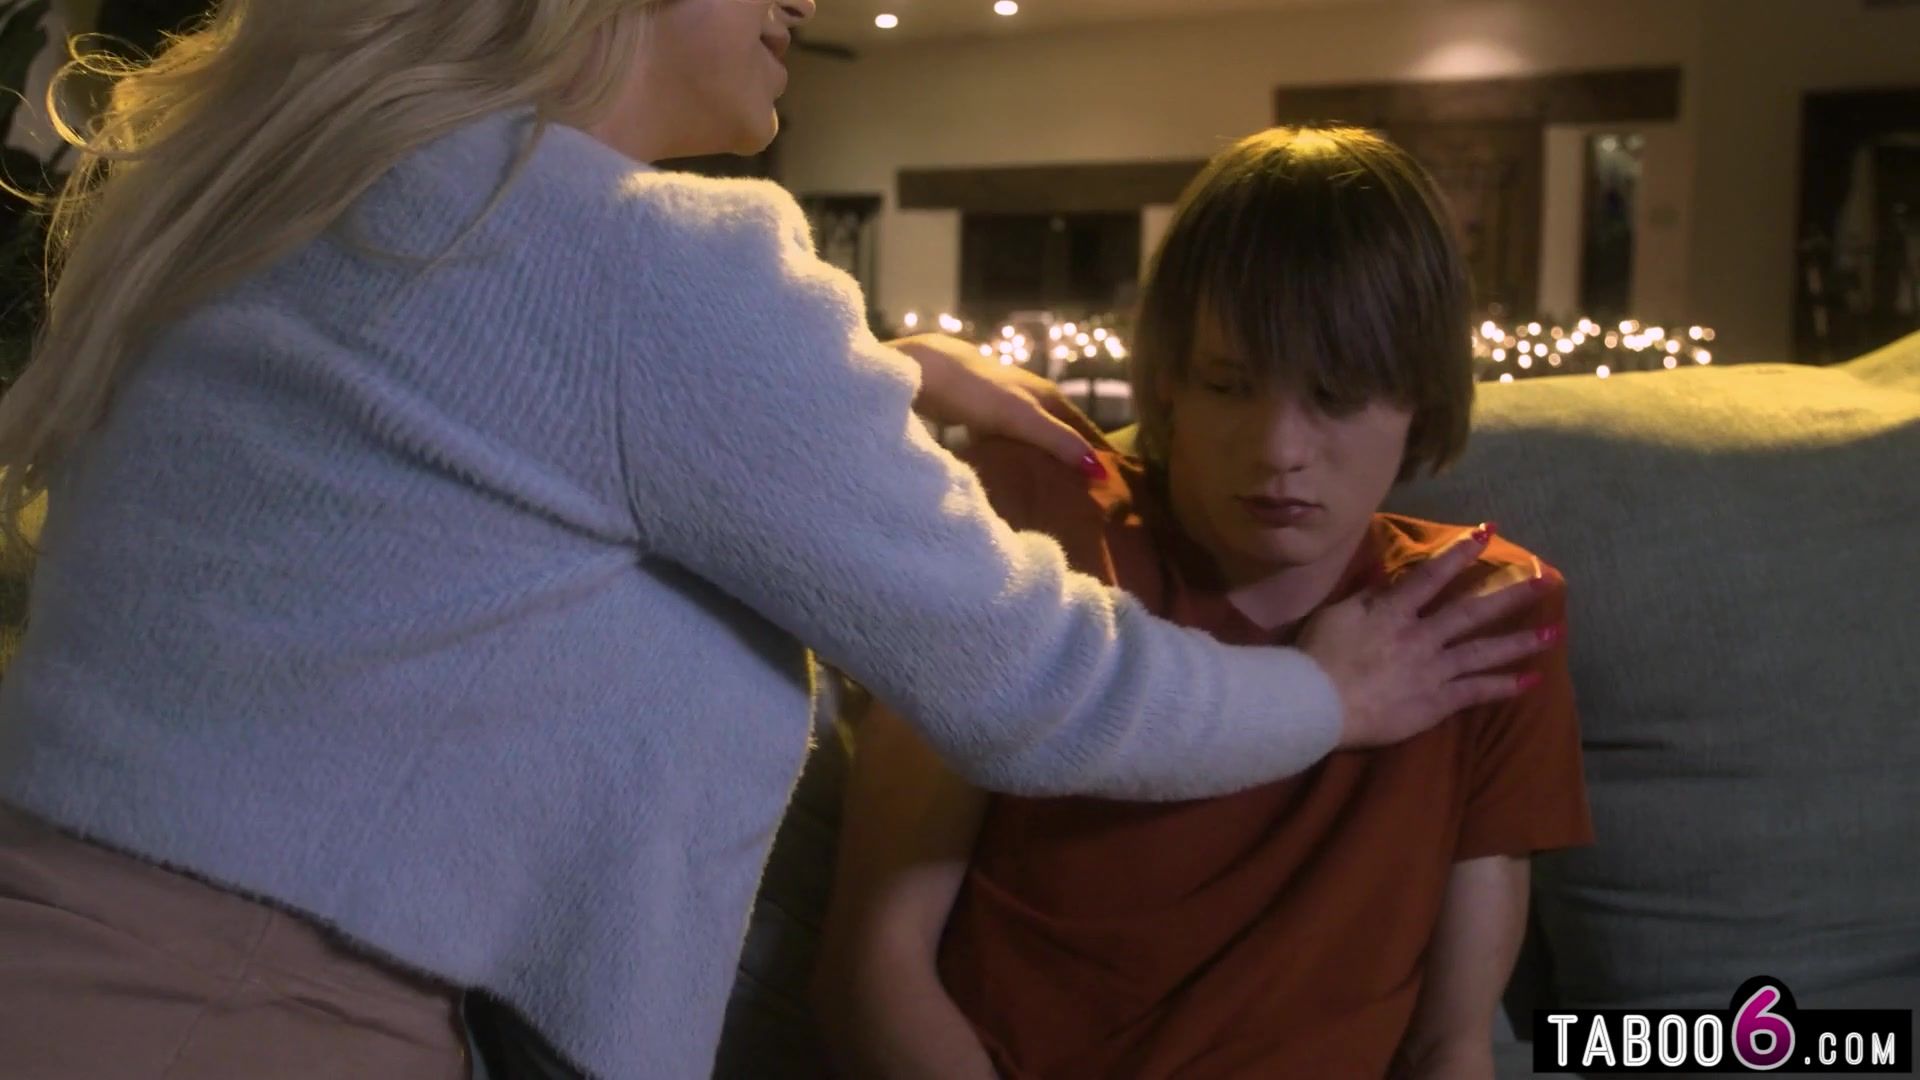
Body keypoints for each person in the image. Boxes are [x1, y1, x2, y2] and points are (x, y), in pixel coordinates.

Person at [0, 3, 1551, 1077]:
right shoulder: (656, 271)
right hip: (256, 1018)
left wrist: (859, 376)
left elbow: (501, 417)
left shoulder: (312, 182)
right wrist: (1334, 694)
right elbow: (1046, 689)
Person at [813, 127, 1594, 1080]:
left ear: (1419, 402)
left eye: (1337, 397)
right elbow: (873, 973)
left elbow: (1450, 1046)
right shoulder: (1043, 524)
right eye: (1230, 386)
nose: (1278, 450)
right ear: (1170, 382)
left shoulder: (1478, 614)